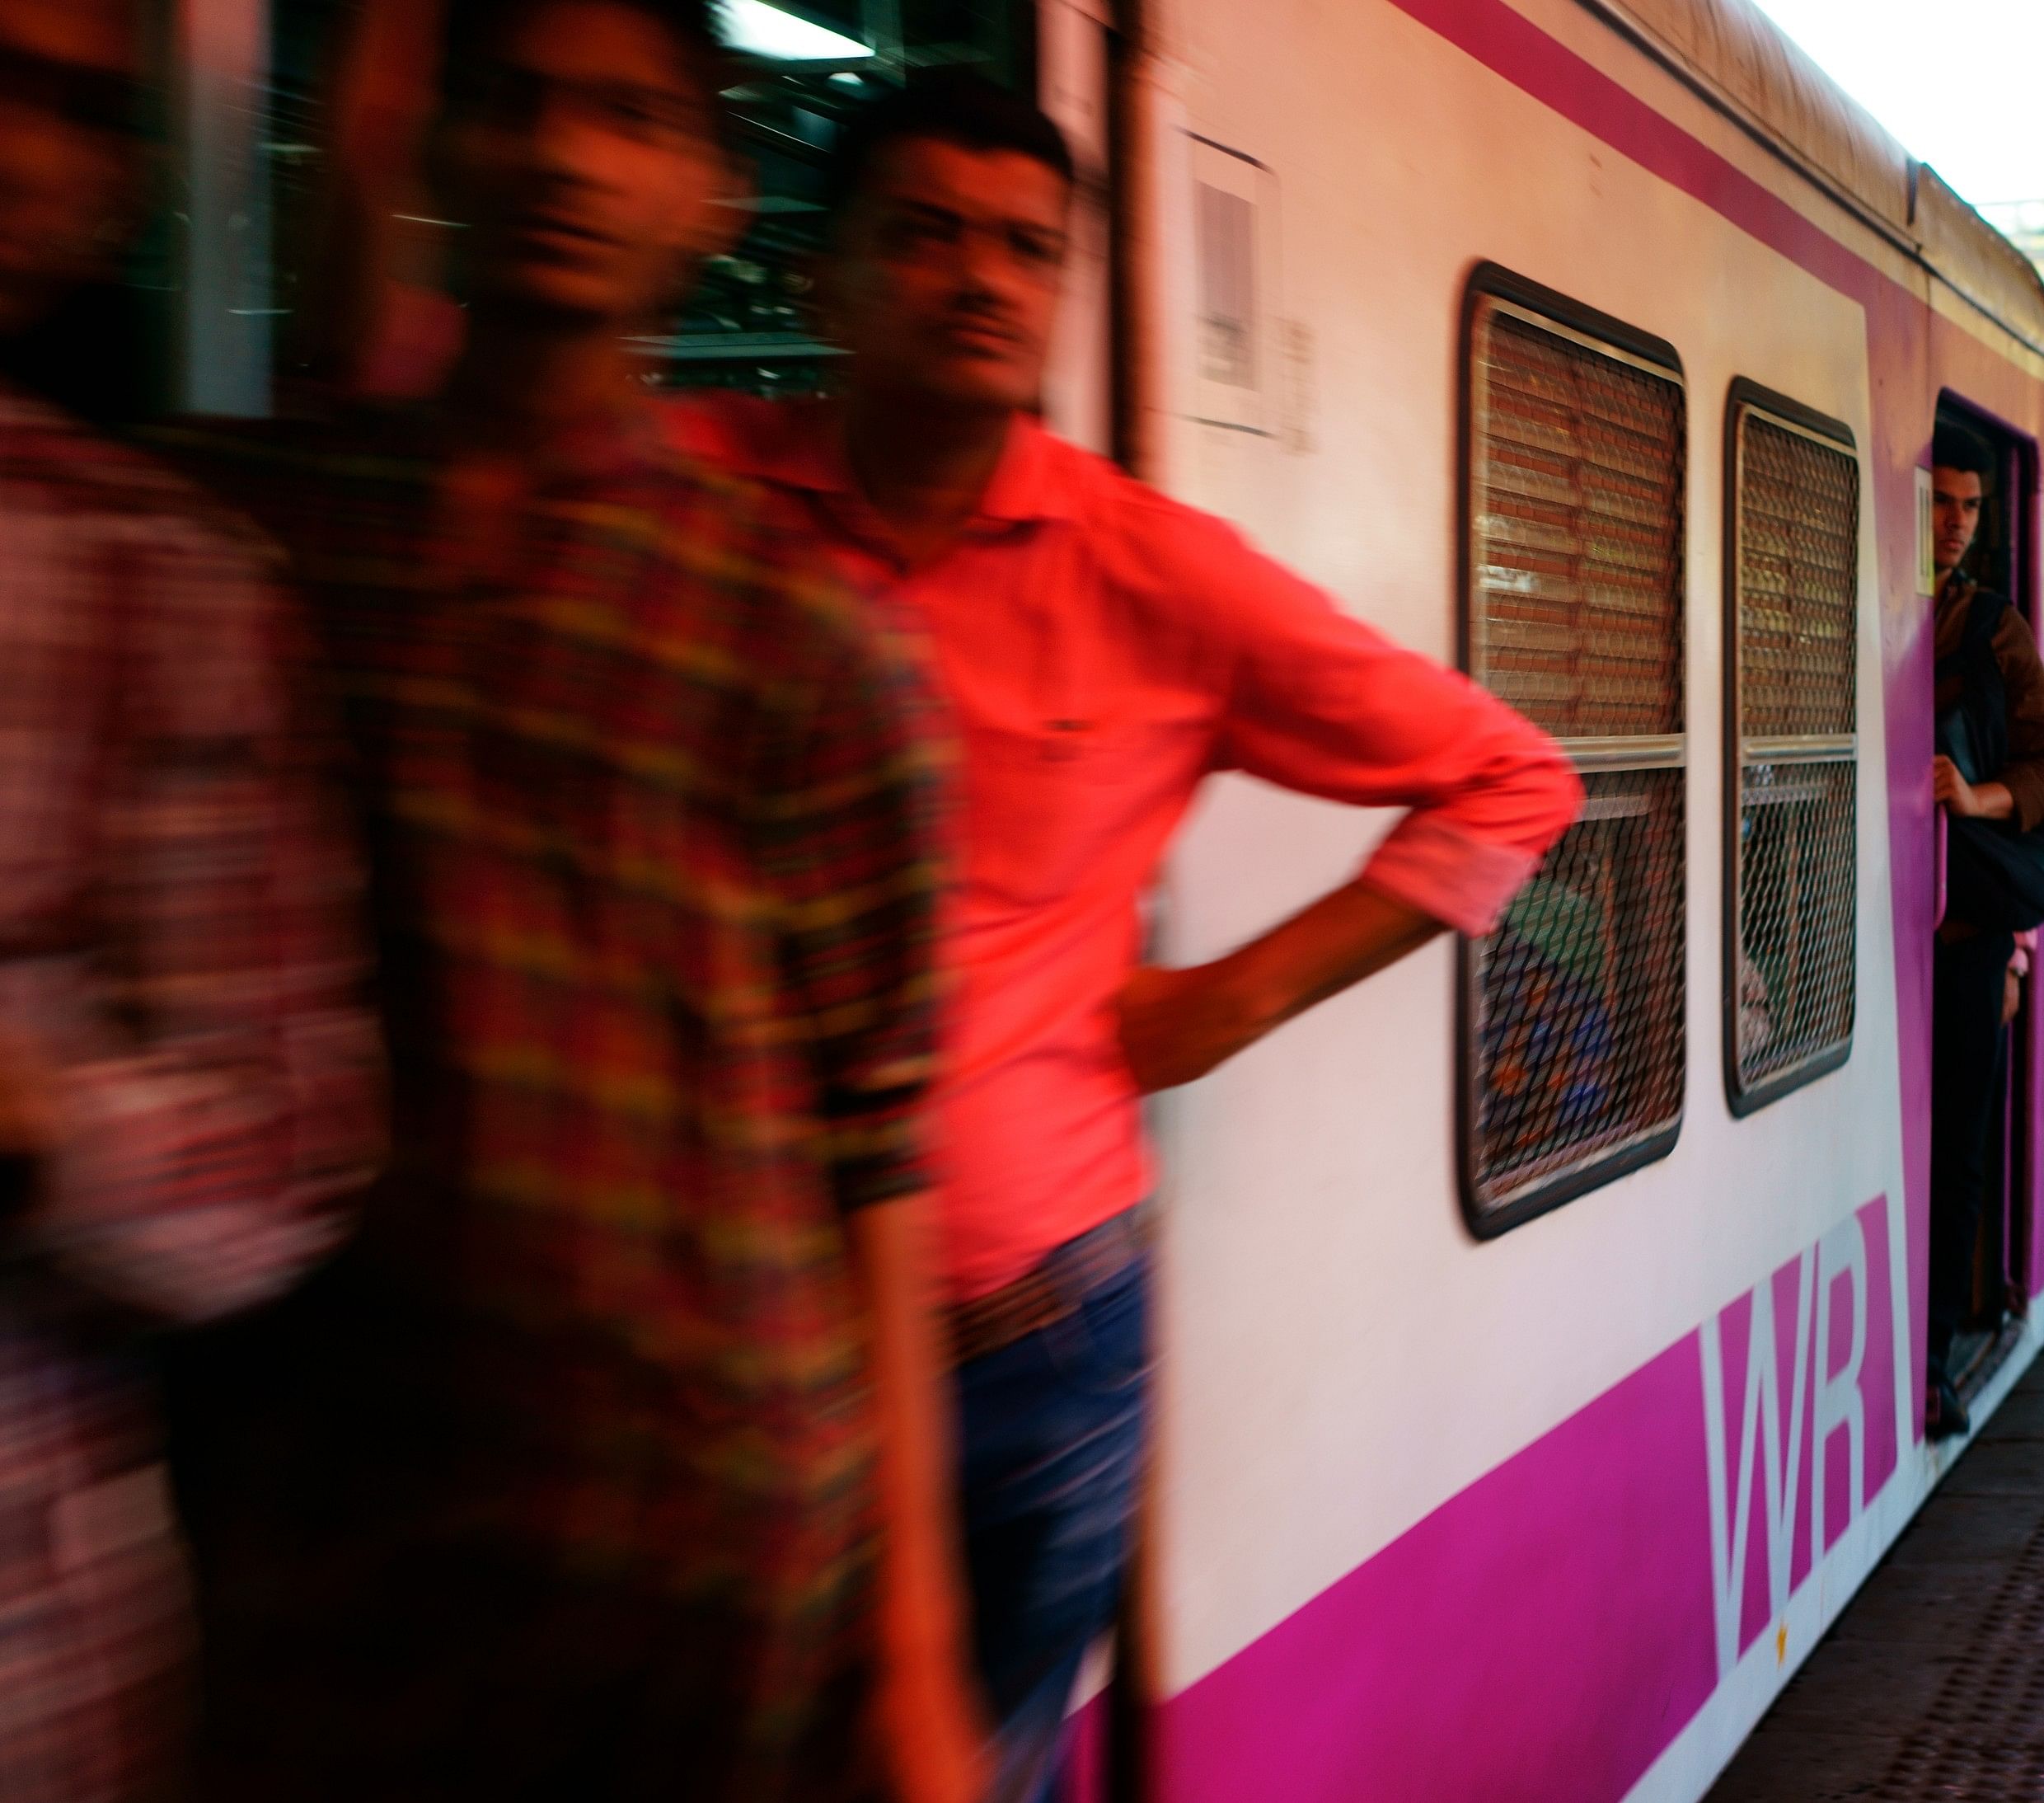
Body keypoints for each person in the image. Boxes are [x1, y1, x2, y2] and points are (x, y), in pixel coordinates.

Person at [673, 73, 1581, 1795]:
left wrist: (1227, 1002)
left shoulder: (1144, 566)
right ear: (824, 279)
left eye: (1023, 247)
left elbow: (1507, 776)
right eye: (923, 234)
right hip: (726, 1306)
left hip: (1026, 1324)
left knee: (964, 1765)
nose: (977, 280)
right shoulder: (694, 507)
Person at [161, 3, 980, 1797]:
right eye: (516, 108)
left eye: (623, 118)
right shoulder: (274, 535)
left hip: (702, 1540)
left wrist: (911, 1652)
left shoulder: (804, 636)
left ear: (708, 189)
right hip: (334, 1524)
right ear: (440, 148)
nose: (560, 156)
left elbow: (880, 1154)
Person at [0, 3, 381, 1794]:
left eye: (75, 108)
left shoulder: (159, 580)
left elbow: (290, 1145)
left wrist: (38, 1115)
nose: (22, 154)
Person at [1919, 426, 2044, 1434]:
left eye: (1971, 507)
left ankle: (1933, 1361)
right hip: (1864, 935)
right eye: (1942, 501)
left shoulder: (1993, 627)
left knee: (1959, 1155)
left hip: (1967, 933)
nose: (1957, 522)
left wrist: (1977, 801)